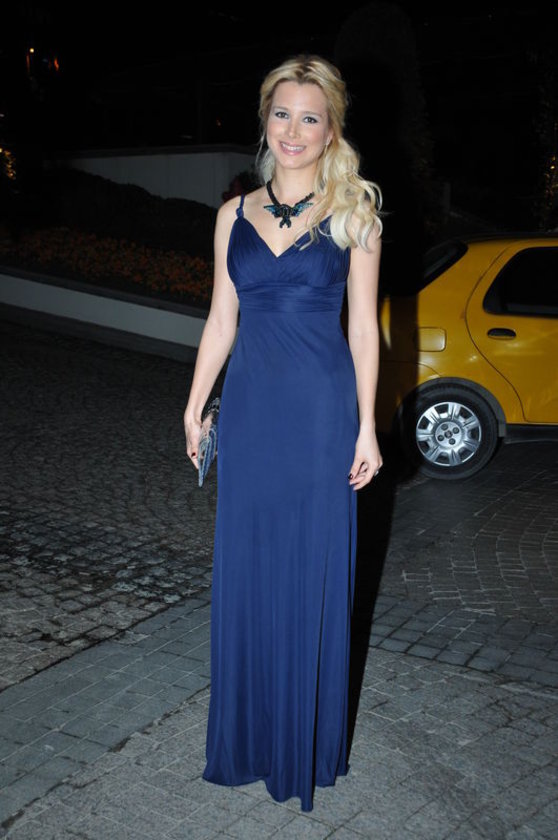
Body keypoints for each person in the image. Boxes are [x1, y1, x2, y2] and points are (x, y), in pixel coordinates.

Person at [184, 54, 382, 812]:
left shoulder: (354, 215)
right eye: (281, 113)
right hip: (253, 412)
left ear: (332, 130)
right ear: (264, 119)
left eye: (310, 117)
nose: (293, 130)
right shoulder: (232, 216)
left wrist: (368, 428)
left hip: (321, 415)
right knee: (250, 569)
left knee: (309, 569)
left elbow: (363, 331)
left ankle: (301, 746)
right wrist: (195, 404)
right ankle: (247, 739)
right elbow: (221, 319)